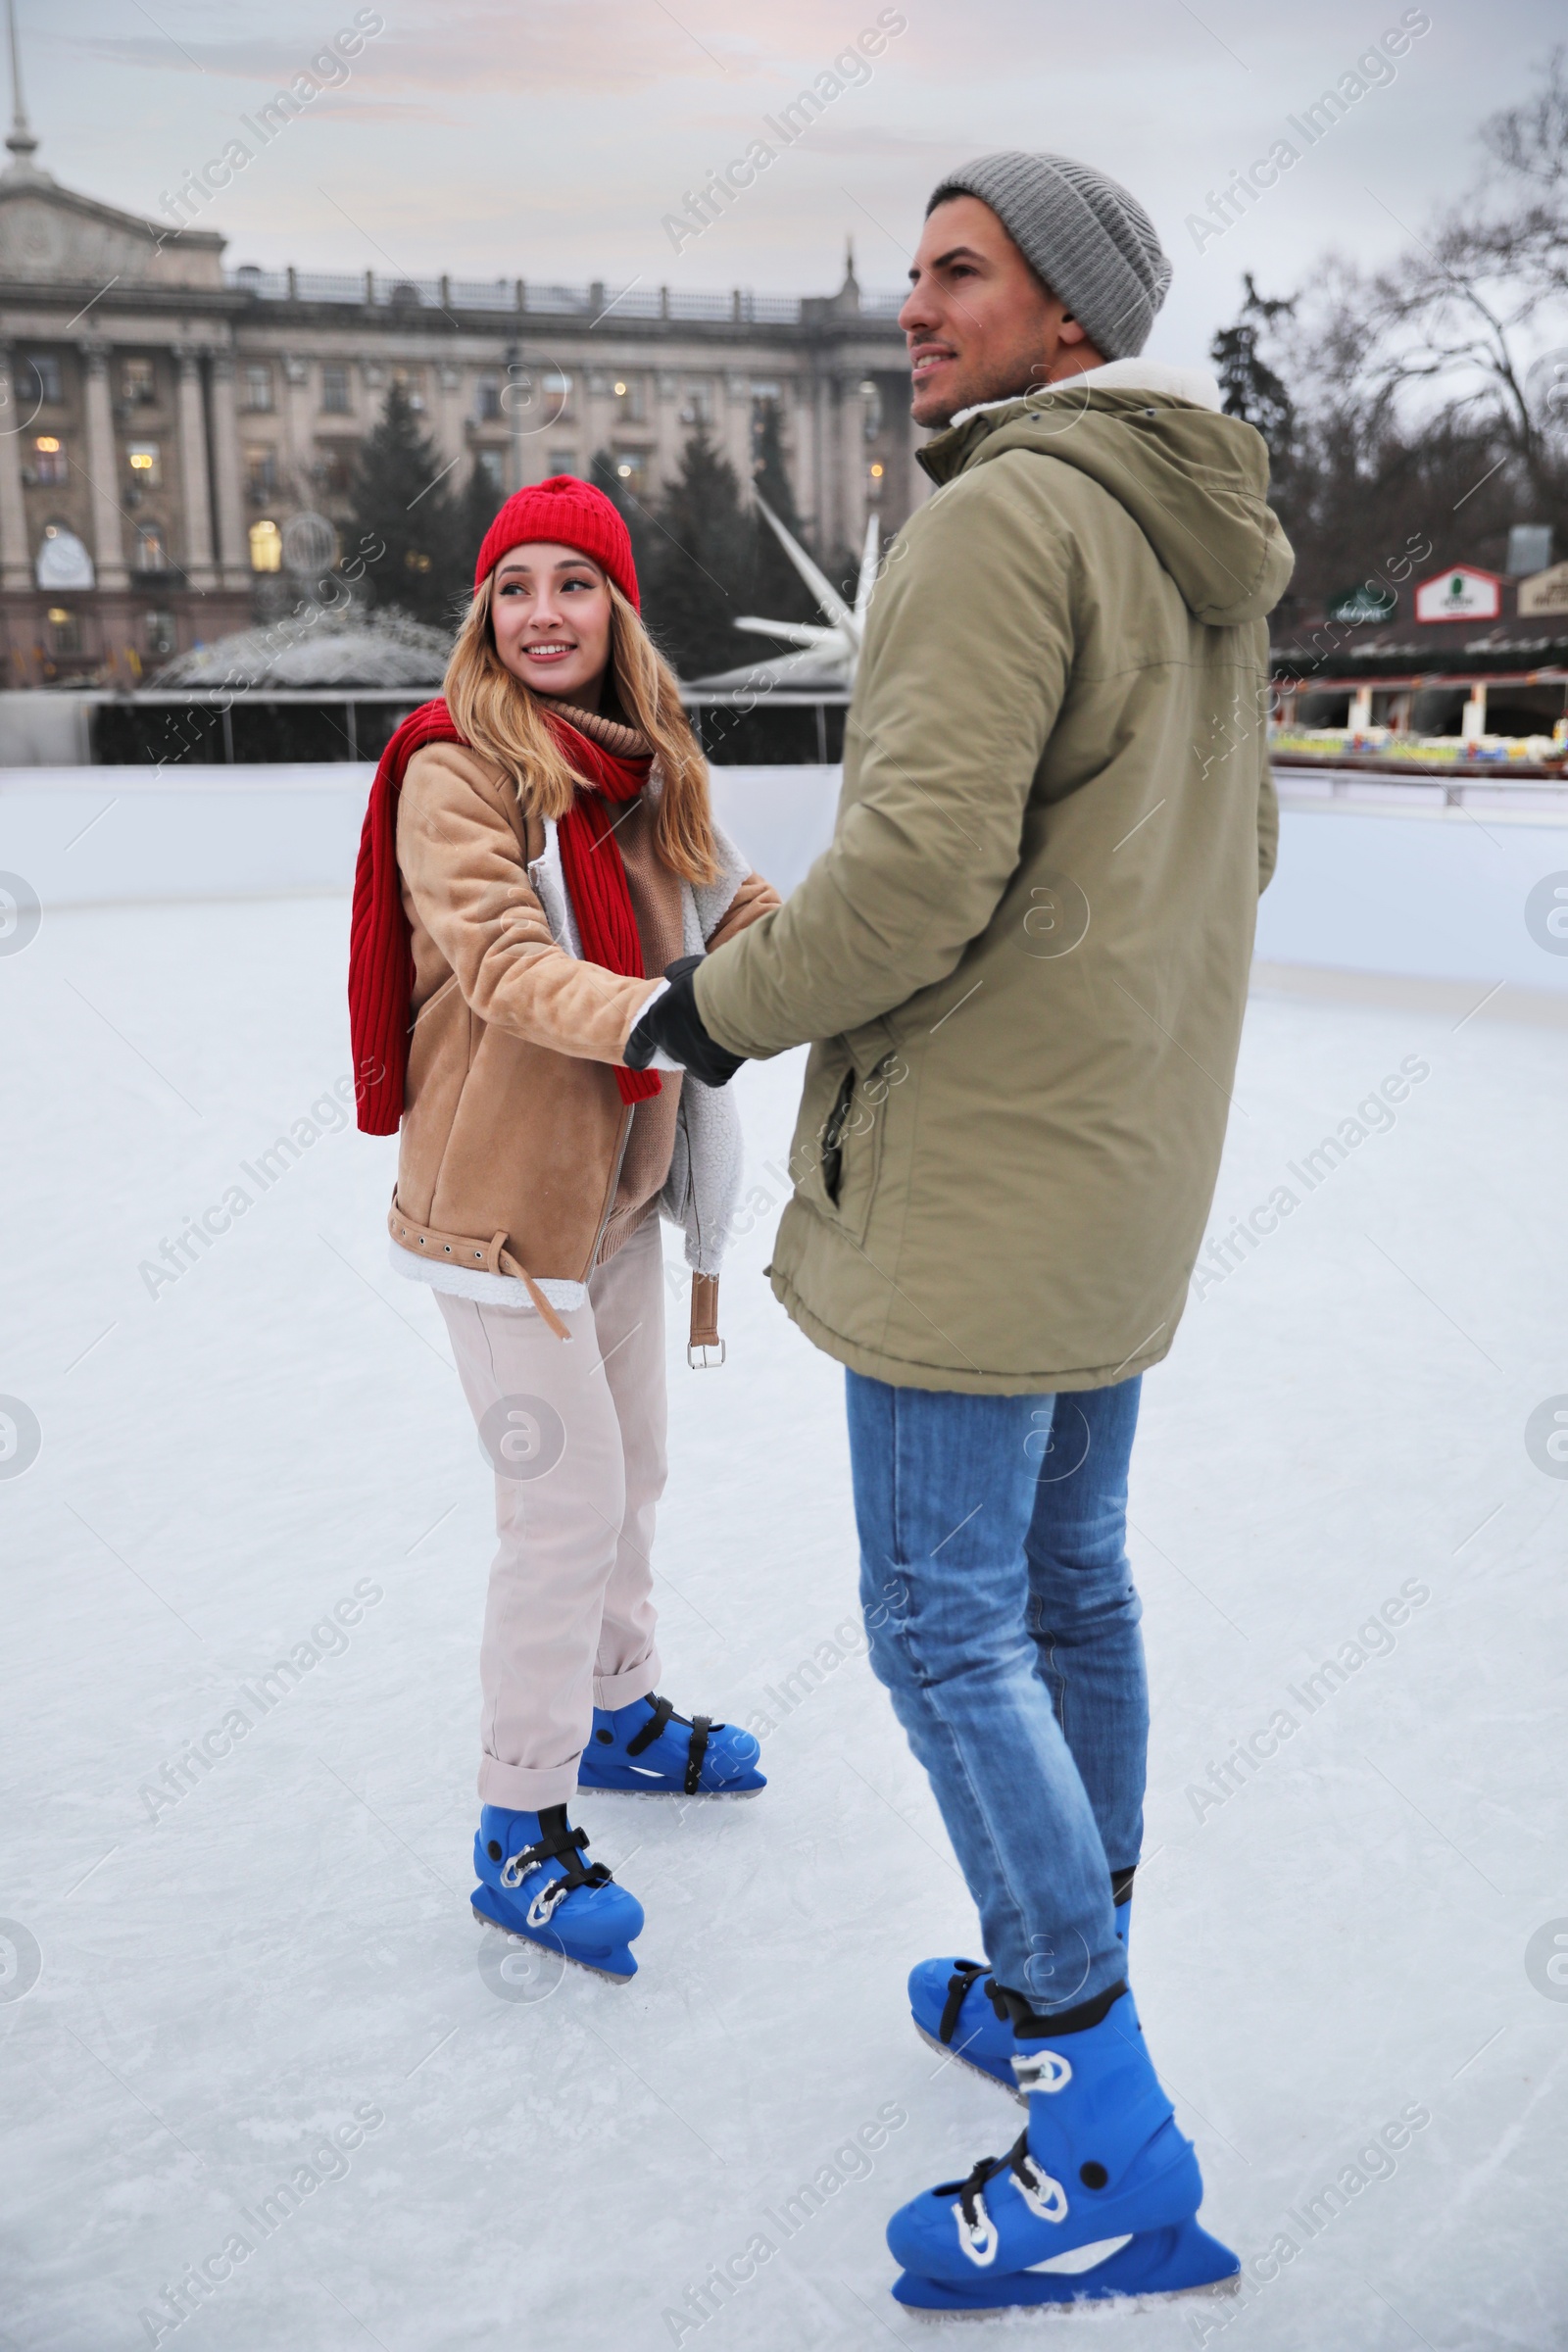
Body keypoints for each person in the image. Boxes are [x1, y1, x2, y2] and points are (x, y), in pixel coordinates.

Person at [627, 153, 1293, 2309]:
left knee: (941, 1623)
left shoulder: (998, 515)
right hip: (1114, 1152)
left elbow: (909, 883)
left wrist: (706, 1010)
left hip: (981, 1172)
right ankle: (1049, 1975)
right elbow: (1233, 852)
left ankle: (1094, 2121)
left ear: (1066, 320)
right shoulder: (1194, 535)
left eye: (957, 274)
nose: (912, 307)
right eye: (911, 271)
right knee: (1063, 1581)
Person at [348, 477, 778, 1984]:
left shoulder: (648, 764)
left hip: (619, 1203)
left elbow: (737, 912)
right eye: (514, 585)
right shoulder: (458, 770)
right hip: (501, 1219)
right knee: (563, 1511)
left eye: (573, 585)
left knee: (631, 1478)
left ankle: (619, 1716)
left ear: (617, 610)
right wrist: (669, 1018)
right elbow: (503, 957)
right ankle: (516, 1822)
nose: (542, 612)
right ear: (485, 611)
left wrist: (865, 952)